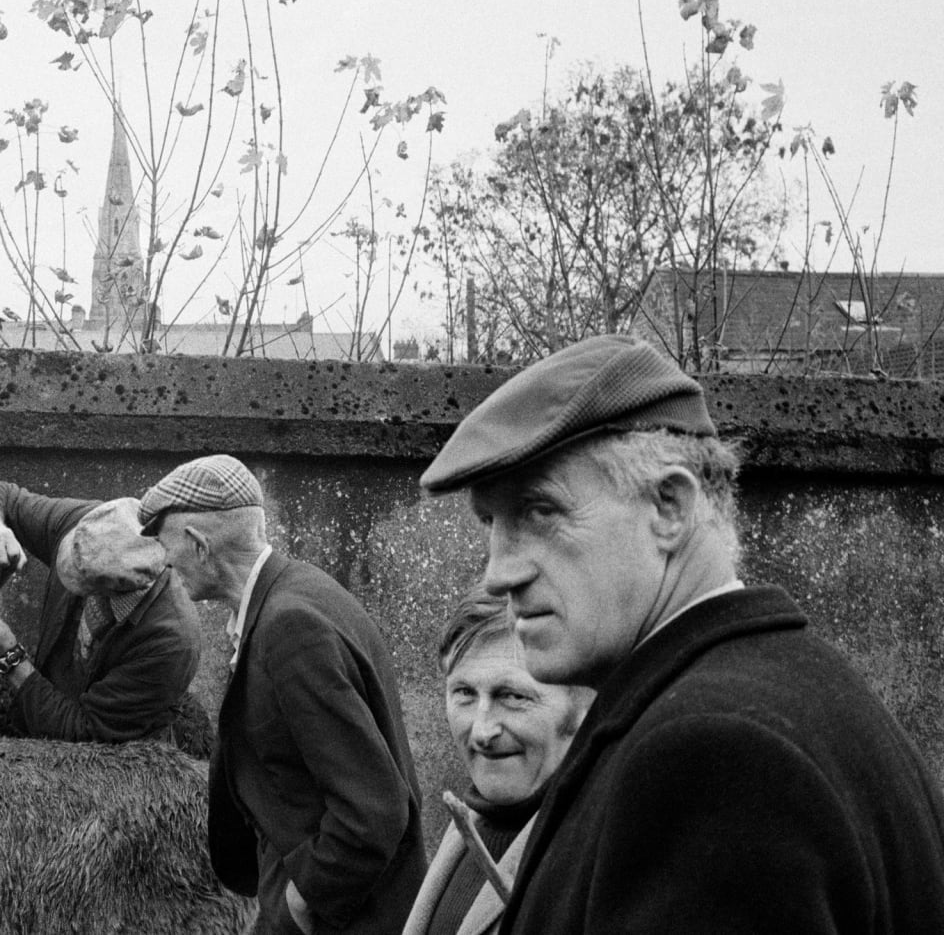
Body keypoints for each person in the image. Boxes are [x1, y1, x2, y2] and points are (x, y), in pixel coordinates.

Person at [419, 334, 944, 933]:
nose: (499, 571)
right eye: (492, 522)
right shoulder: (802, 688)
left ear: (669, 507)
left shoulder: (712, 758)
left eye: (539, 512)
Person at [140, 454, 426, 935]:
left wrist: (301, 901)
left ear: (197, 543)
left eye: (164, 545)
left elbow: (373, 809)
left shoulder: (290, 627)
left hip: (338, 919)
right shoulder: (297, 594)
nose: (163, 563)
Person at [0, 481, 200, 744]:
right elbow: (0, 496)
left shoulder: (172, 643)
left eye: (81, 579)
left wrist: (9, 657)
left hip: (104, 758)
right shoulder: (88, 523)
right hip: (50, 700)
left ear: (111, 588)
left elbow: (86, 734)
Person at [402, 588, 592, 935]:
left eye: (513, 696)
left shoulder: (596, 860)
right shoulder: (470, 820)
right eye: (464, 693)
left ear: (582, 707)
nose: (482, 731)